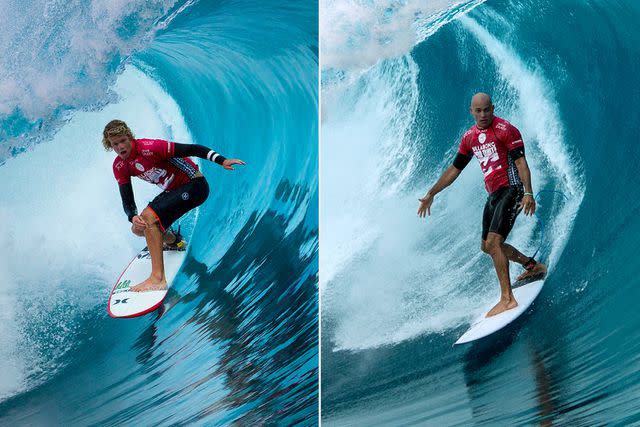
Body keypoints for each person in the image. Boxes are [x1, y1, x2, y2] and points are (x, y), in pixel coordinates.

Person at [417, 93, 546, 317]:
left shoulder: (506, 130)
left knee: (495, 242)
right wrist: (432, 193)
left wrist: (528, 192)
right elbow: (454, 170)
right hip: (494, 194)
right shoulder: (470, 138)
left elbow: (521, 163)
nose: (483, 114)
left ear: (493, 108)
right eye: (479, 111)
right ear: (471, 111)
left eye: (487, 110)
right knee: (487, 246)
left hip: (512, 188)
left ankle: (507, 299)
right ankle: (531, 266)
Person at [102, 119, 245, 292]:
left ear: (130, 137)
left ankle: (157, 279)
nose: (120, 146)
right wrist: (132, 216)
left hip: (195, 185)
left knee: (149, 217)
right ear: (110, 146)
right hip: (173, 191)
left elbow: (193, 149)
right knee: (138, 228)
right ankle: (174, 241)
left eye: (123, 140)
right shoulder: (119, 166)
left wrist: (221, 160)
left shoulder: (150, 147)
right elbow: (127, 198)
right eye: (115, 144)